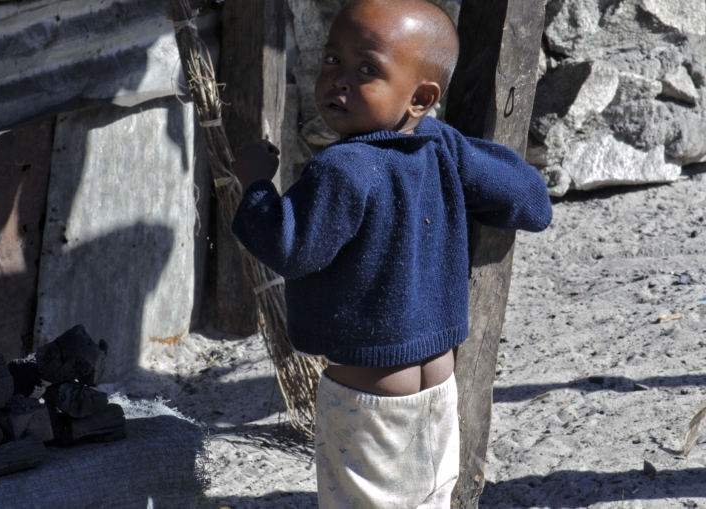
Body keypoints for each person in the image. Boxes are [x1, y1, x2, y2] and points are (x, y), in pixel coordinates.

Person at [230, 0, 552, 506]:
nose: (339, 80)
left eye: (367, 70)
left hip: (368, 401)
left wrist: (254, 185)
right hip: (439, 388)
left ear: (422, 97)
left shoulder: (342, 168)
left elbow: (287, 247)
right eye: (332, 60)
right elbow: (530, 202)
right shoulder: (441, 145)